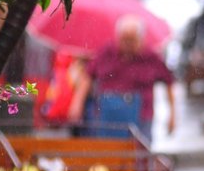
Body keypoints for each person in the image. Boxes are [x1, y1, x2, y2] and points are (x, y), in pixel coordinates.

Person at [68, 14, 176, 143]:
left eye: (132, 40)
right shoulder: (107, 52)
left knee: (139, 155)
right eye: (125, 39)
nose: (128, 44)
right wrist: (77, 103)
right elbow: (88, 76)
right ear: (118, 37)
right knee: (107, 153)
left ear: (141, 38)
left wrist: (172, 115)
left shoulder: (151, 57)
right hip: (108, 116)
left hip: (141, 117)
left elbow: (169, 82)